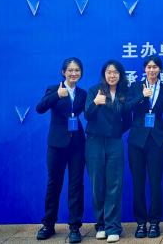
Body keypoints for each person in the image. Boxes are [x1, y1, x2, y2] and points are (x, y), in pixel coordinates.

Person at [36, 57, 87, 243]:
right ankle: (48, 225)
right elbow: (40, 108)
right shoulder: (53, 89)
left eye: (77, 70)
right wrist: (57, 95)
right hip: (57, 145)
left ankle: (74, 227)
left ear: (81, 73)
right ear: (63, 72)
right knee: (54, 184)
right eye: (70, 70)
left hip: (77, 145)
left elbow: (89, 113)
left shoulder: (83, 93)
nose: (74, 73)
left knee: (76, 185)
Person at [85, 60, 131, 243]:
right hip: (94, 142)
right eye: (109, 72)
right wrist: (95, 103)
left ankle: (113, 227)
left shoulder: (123, 93)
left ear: (120, 75)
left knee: (114, 184)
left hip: (114, 143)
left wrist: (115, 132)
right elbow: (87, 115)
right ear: (104, 74)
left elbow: (128, 120)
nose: (112, 75)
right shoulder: (94, 91)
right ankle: (101, 225)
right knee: (97, 184)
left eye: (116, 72)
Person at [127, 55, 163, 238]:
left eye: (155, 67)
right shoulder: (135, 87)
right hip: (137, 140)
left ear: (160, 69)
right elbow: (126, 107)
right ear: (144, 69)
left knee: (155, 182)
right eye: (149, 67)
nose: (152, 70)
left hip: (156, 139)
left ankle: (154, 222)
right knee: (138, 183)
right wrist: (141, 97)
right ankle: (140, 223)